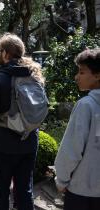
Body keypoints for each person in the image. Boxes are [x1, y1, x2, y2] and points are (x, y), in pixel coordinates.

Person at [0, 33, 44, 210]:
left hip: (3, 144)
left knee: (1, 190)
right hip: (29, 140)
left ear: (6, 53)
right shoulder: (35, 76)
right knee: (25, 190)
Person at [55, 49, 100, 210]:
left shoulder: (86, 105)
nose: (76, 76)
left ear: (97, 75)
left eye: (82, 72)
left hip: (82, 190)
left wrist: (61, 180)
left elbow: (71, 150)